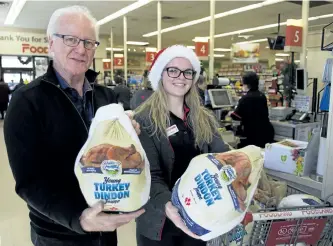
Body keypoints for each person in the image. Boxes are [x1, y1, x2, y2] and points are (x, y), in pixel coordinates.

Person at [4, 6, 143, 246]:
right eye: (70, 39)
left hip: (106, 226)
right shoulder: (27, 101)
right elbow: (29, 182)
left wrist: (130, 139)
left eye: (89, 43)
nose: (81, 49)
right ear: (50, 43)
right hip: (58, 233)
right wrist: (79, 219)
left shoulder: (105, 97)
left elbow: (114, 159)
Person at [134, 45, 229, 246]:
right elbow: (150, 175)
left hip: (199, 219)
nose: (181, 77)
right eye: (173, 70)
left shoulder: (204, 118)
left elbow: (221, 156)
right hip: (159, 222)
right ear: (161, 74)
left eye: (188, 72)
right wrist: (170, 206)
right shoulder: (144, 120)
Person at [230, 71, 274, 148]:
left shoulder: (245, 98)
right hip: (266, 132)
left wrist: (229, 113)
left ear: (246, 84)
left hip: (253, 135)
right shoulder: (262, 95)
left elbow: (236, 116)